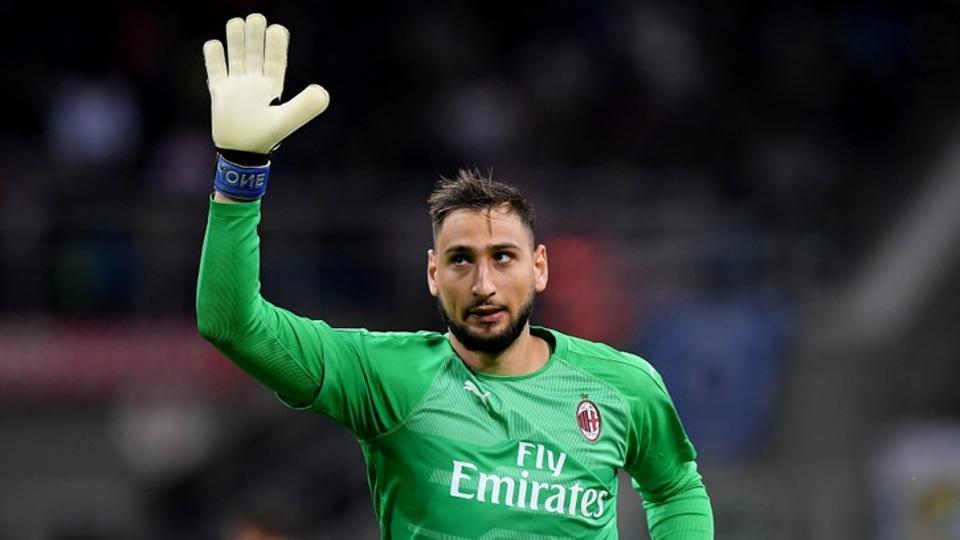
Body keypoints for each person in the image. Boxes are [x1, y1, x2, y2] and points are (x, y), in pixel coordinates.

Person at [197, 13, 713, 539]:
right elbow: (233, 324)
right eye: (461, 260)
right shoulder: (387, 378)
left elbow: (675, 487)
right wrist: (240, 169)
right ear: (432, 273)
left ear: (539, 268)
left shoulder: (622, 385)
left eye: (503, 257)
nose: (483, 285)